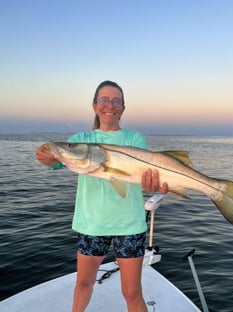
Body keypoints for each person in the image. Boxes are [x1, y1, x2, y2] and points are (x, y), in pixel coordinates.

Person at [35, 80, 168, 312]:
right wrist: (47, 157)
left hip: (129, 225)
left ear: (123, 108)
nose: (110, 105)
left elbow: (149, 176)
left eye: (116, 101)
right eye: (104, 100)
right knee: (83, 284)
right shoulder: (80, 141)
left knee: (132, 293)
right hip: (91, 224)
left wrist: (157, 184)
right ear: (95, 105)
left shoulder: (134, 140)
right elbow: (56, 161)